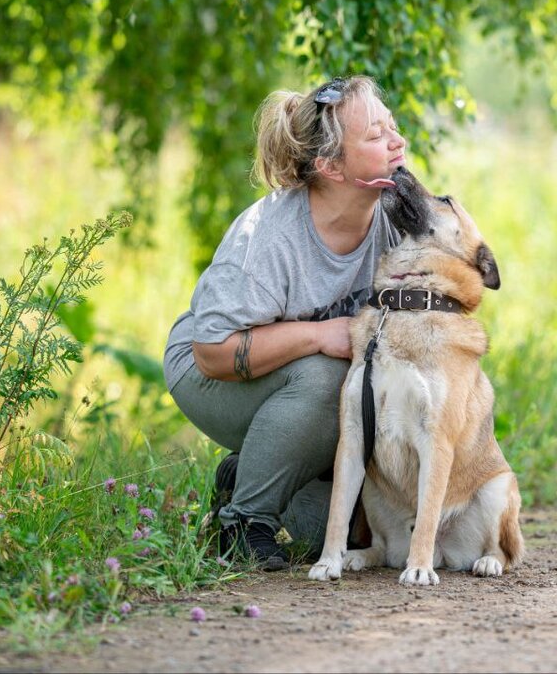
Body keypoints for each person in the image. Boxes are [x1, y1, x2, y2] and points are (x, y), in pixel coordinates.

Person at [162, 75, 405, 570]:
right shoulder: (268, 237)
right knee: (327, 376)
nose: (398, 143)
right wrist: (318, 334)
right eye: (377, 136)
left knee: (348, 540)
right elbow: (213, 354)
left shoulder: (396, 213)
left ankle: (246, 473)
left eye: (393, 128)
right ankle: (243, 523)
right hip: (208, 369)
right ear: (330, 165)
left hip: (294, 386)